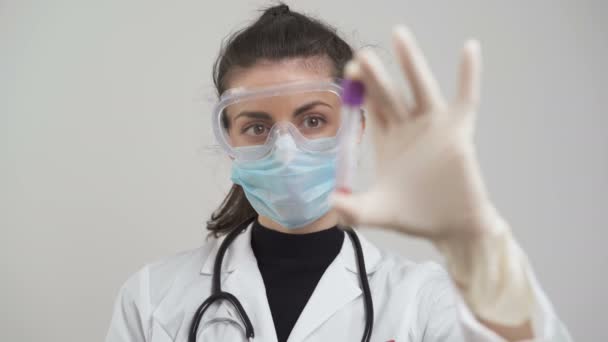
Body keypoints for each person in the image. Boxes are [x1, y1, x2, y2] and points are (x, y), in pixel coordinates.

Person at [105, 4, 572, 342]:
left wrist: (478, 246)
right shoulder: (154, 299)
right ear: (230, 142)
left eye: (313, 120)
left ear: (356, 127)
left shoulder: (422, 301)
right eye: (257, 126)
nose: (285, 151)